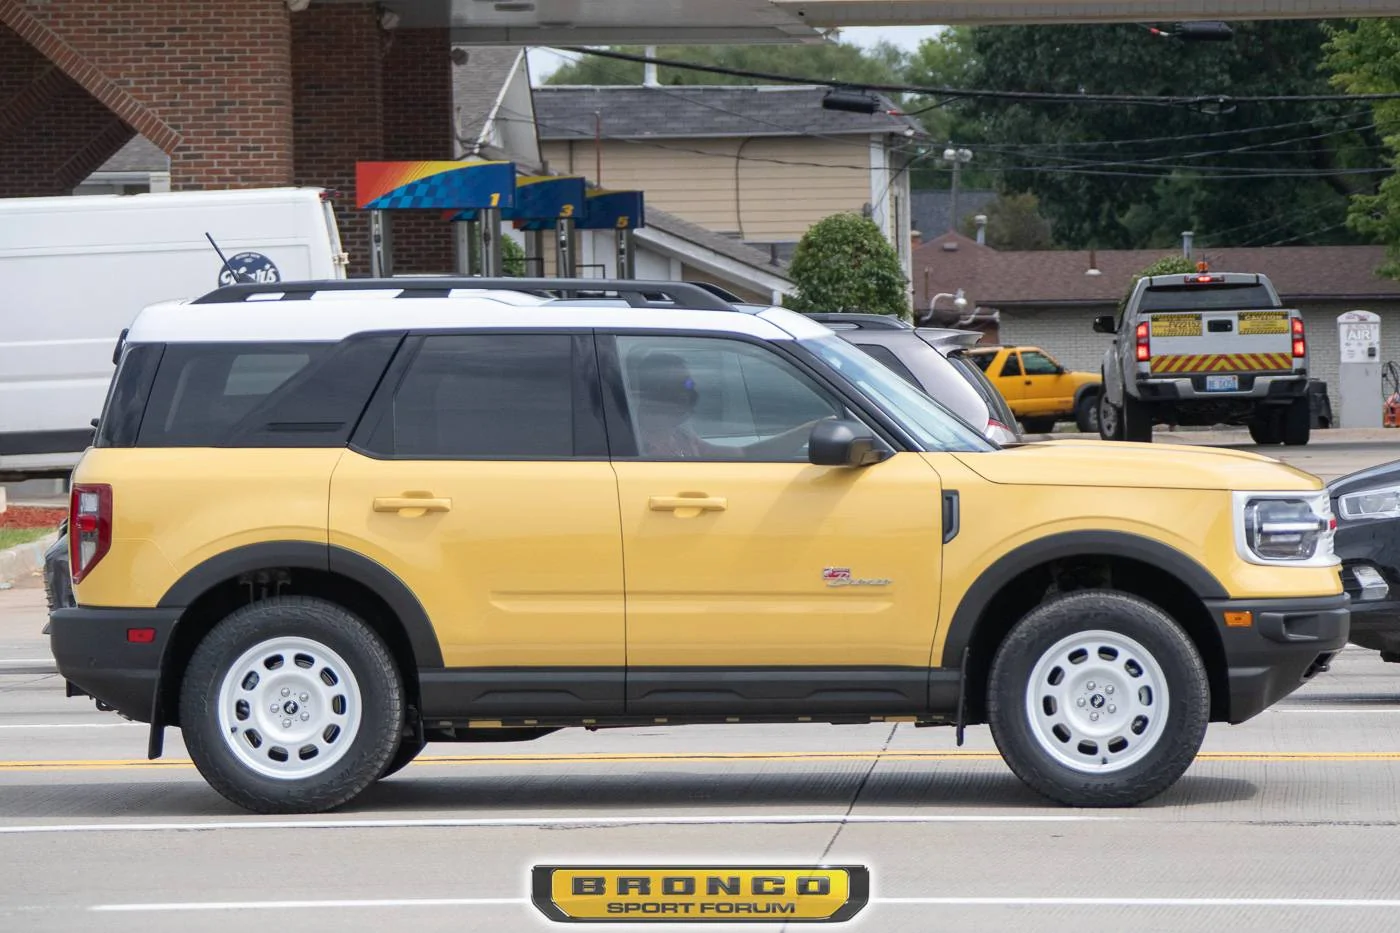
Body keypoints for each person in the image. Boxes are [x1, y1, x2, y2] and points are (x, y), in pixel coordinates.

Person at [629, 350, 837, 460]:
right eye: (685, 383)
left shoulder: (681, 436)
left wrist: (808, 431)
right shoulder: (633, 443)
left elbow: (745, 455)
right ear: (659, 389)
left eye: (690, 383)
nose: (691, 390)